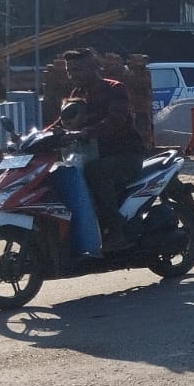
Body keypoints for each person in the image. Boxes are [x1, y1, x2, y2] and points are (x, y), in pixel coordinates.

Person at [54, 48, 145, 245]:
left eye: (77, 70)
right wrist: (35, 137)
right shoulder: (77, 93)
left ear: (93, 68)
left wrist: (85, 133)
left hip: (125, 155)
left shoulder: (115, 89)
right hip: (90, 154)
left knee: (95, 172)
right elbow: (63, 121)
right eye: (70, 71)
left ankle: (115, 229)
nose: (72, 75)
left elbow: (115, 122)